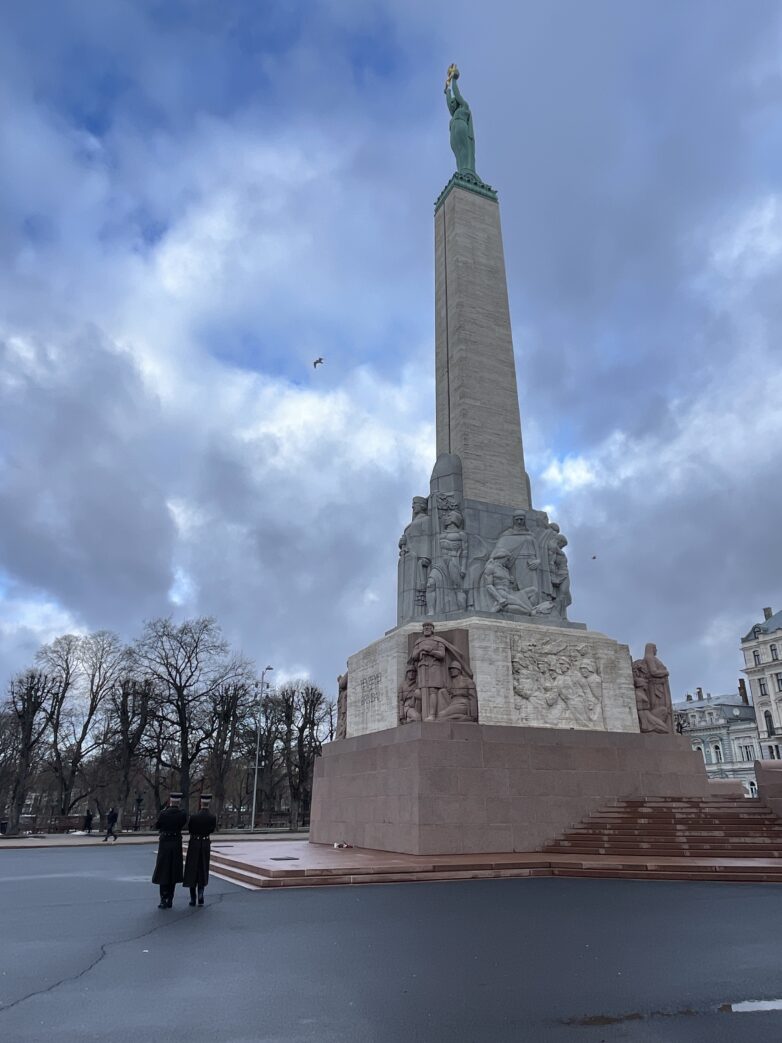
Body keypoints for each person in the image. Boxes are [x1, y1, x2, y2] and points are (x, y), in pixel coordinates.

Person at [152, 793, 188, 909]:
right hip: (176, 842)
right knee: (173, 871)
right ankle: (170, 899)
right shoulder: (182, 814)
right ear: (178, 803)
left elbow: (157, 826)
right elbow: (183, 824)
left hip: (165, 843)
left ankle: (163, 898)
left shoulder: (163, 813)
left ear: (170, 802)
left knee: (163, 871)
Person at [183, 794, 217, 906]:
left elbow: (190, 829)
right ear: (209, 804)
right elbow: (212, 829)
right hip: (205, 843)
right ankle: (201, 894)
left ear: (201, 803)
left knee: (192, 869)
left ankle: (193, 898)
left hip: (194, 843)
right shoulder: (212, 817)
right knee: (203, 868)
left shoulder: (194, 817)